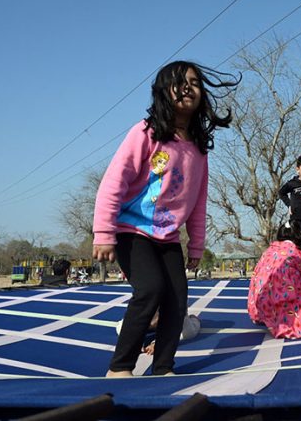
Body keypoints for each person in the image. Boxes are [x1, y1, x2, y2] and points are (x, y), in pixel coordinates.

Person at [93, 60, 239, 377]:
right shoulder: (145, 133)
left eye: (194, 83)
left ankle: (162, 367)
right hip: (131, 231)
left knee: (177, 299)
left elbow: (198, 201)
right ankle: (120, 367)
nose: (188, 87)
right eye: (179, 82)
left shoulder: (199, 149)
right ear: (163, 92)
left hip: (168, 238)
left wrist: (197, 246)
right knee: (150, 290)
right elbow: (113, 181)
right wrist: (103, 232)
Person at [248, 221, 301, 339]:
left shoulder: (267, 253)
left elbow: (255, 279)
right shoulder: (299, 254)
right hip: (285, 306)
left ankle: (266, 315)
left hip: (260, 307)